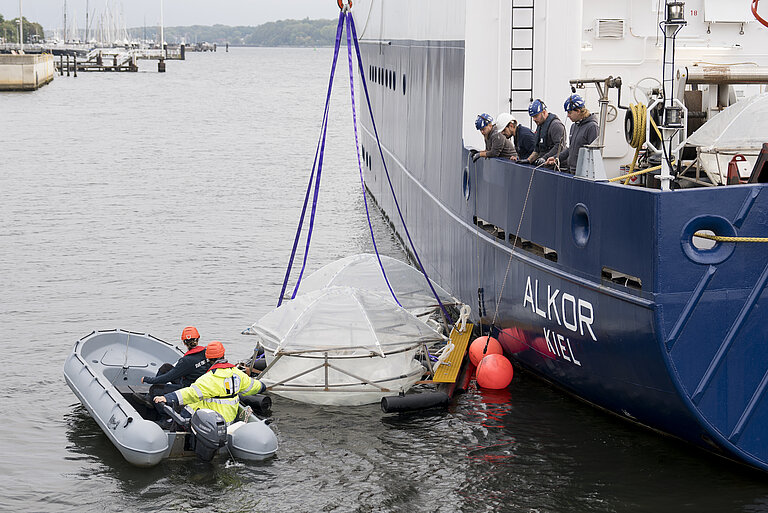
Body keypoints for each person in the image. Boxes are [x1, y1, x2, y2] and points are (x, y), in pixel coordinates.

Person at [153, 341, 266, 424]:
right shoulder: (237, 373)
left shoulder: (208, 378)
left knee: (192, 404)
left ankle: (171, 423)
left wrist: (167, 398)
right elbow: (254, 386)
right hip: (230, 418)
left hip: (212, 419)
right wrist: (263, 386)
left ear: (208, 358)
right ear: (223, 354)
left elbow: (191, 393)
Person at [142, 326, 212, 396]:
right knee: (166, 367)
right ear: (198, 339)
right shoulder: (207, 352)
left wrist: (148, 379)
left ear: (184, 342)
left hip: (189, 389)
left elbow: (168, 377)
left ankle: (152, 399)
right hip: (200, 385)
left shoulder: (186, 360)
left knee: (154, 389)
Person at [545, 94, 599, 173]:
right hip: (571, 171)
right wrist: (556, 158)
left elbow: (594, 154)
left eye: (569, 112)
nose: (568, 115)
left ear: (578, 111)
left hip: (583, 174)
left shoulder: (592, 127)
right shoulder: (574, 126)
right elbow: (571, 149)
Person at [526, 99, 566, 165]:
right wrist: (529, 160)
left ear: (544, 113)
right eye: (532, 117)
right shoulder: (540, 125)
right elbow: (537, 150)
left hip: (555, 165)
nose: (534, 119)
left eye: (536, 116)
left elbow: (559, 146)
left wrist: (544, 158)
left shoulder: (556, 126)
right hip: (544, 164)